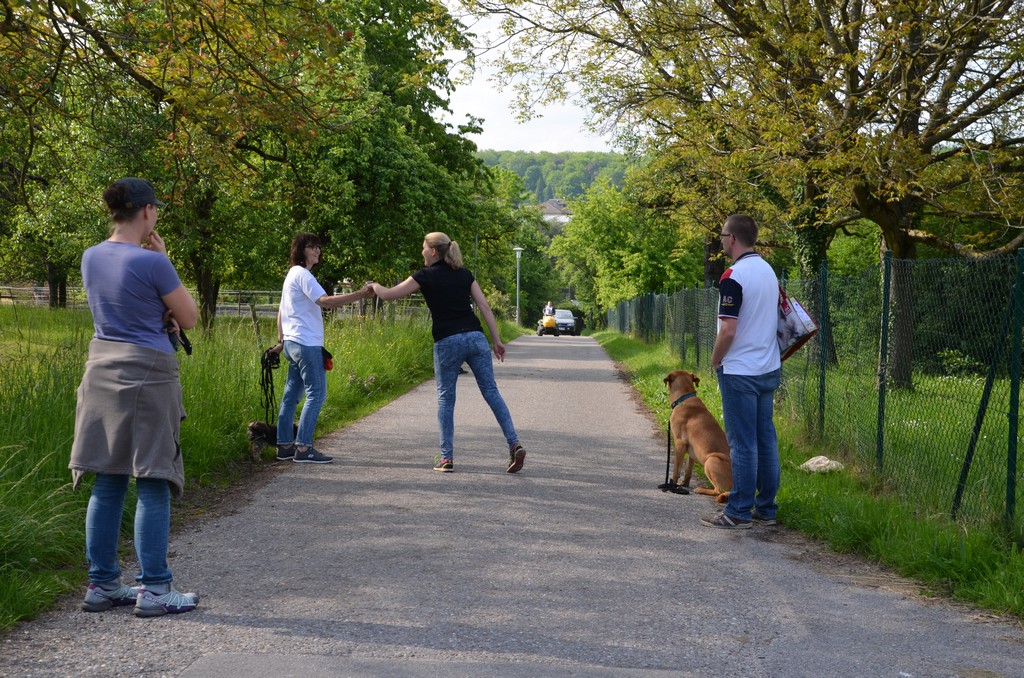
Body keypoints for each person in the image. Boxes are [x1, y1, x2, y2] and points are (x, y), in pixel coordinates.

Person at [70, 177, 201, 617]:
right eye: (156, 210)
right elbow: (189, 317)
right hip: (148, 372)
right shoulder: (154, 264)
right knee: (152, 478)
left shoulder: (90, 258)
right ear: (146, 211)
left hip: (101, 370)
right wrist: (165, 262)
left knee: (107, 480)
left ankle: (103, 583)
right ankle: (155, 588)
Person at [371, 232, 526, 474]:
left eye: (423, 247)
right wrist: (496, 340)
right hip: (475, 337)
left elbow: (389, 295)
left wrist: (373, 286)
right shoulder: (464, 274)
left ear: (433, 251)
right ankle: (514, 444)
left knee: (446, 398)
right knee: (491, 392)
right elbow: (484, 306)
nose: (421, 251)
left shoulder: (425, 275)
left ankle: (446, 458)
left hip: (447, 340)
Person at [701, 214, 782, 530]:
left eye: (722, 235)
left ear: (732, 238)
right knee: (766, 439)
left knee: (743, 443)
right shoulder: (768, 271)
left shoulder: (733, 276)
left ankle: (738, 511)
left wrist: (715, 359)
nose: (721, 240)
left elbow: (728, 331)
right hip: (768, 366)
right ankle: (766, 509)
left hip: (740, 370)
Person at [269, 233, 374, 464]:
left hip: (292, 343)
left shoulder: (291, 275)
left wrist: (281, 341)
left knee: (290, 396)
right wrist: (360, 295)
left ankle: (284, 445)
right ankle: (304, 448)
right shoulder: (304, 274)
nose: (316, 250)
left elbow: (281, 311)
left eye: (318, 246)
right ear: (300, 250)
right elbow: (324, 301)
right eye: (310, 246)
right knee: (317, 393)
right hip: (306, 344)